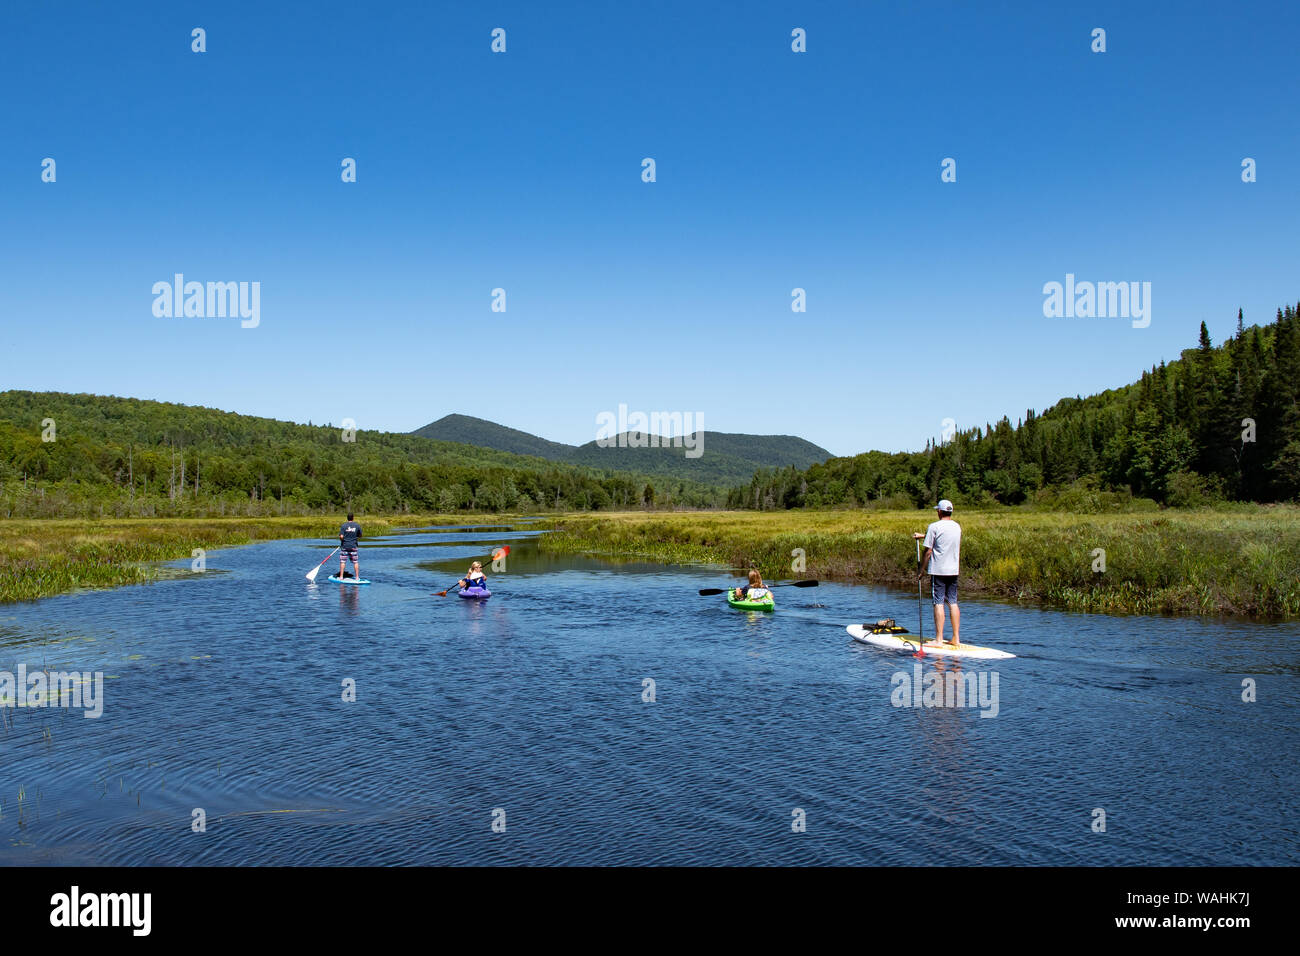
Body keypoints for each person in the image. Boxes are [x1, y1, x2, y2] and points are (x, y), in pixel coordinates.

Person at [913, 499, 961, 647]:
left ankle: (939, 640)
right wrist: (923, 536)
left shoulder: (934, 526)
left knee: (938, 602)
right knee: (952, 602)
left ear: (939, 511)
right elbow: (943, 538)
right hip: (953, 570)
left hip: (938, 570)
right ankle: (955, 638)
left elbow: (928, 551)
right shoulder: (957, 527)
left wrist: (921, 570)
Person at [338, 512, 362, 579]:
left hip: (345, 546)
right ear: (353, 518)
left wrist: (341, 540)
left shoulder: (344, 526)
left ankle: (341, 577)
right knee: (355, 562)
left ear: (347, 518)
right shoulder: (357, 525)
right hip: (353, 546)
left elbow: (341, 536)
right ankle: (357, 577)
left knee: (343, 561)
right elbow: (360, 535)